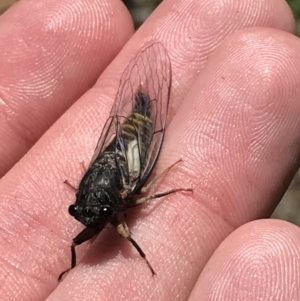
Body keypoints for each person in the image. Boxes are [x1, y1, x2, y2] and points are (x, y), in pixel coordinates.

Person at [0, 0, 299, 300]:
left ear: (114, 207)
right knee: (79, 236)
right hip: (118, 153)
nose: (88, 220)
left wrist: (165, 191)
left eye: (102, 213)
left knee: (145, 175)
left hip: (134, 148)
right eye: (78, 212)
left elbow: (149, 190)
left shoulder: (122, 198)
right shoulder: (94, 208)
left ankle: (143, 108)